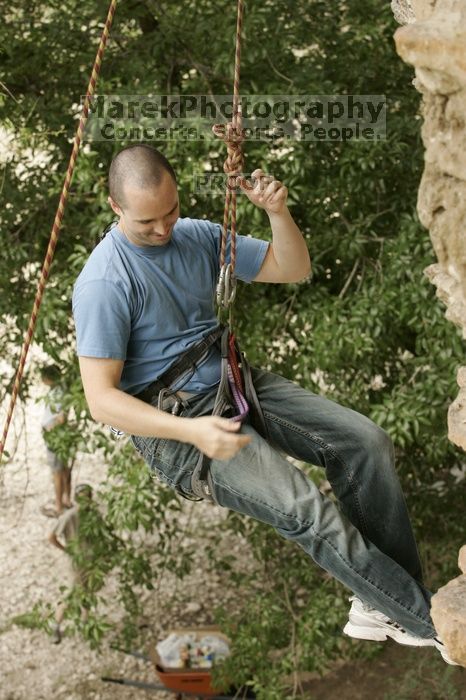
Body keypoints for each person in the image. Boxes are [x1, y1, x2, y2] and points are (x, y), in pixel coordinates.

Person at [72, 144, 455, 664]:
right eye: (147, 223)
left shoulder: (197, 236)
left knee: (364, 442)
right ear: (114, 207)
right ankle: (429, 621)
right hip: (179, 426)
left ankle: (381, 602)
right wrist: (193, 432)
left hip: (234, 382)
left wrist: (278, 212)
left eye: (171, 212)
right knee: (305, 510)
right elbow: (101, 400)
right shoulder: (104, 282)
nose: (163, 230)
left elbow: (290, 267)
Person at [48, 483, 93, 644]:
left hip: (90, 561)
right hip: (77, 562)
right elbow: (51, 537)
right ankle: (55, 625)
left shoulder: (92, 515)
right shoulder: (69, 516)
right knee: (73, 593)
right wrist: (67, 550)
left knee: (86, 592)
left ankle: (85, 625)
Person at [40, 364, 72, 517]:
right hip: (58, 435)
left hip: (55, 437)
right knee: (64, 469)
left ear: (49, 378)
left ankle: (59, 506)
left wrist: (50, 429)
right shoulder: (60, 389)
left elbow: (62, 417)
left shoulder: (59, 392)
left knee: (57, 473)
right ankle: (66, 500)